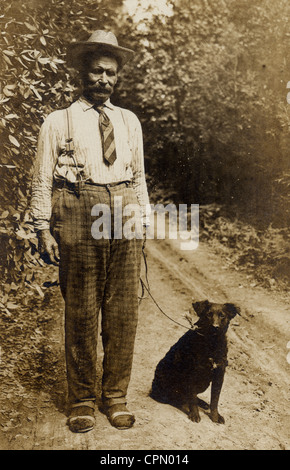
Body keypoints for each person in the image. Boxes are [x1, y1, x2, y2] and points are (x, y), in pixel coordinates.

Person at [31, 30, 150, 433]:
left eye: (111, 73)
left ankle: (115, 396)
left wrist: (143, 222)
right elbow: (41, 179)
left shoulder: (128, 120)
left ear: (118, 78)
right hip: (78, 209)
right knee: (81, 311)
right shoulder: (57, 121)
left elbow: (139, 178)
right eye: (97, 71)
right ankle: (81, 399)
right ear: (82, 74)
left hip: (124, 209)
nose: (104, 79)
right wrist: (41, 228)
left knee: (123, 312)